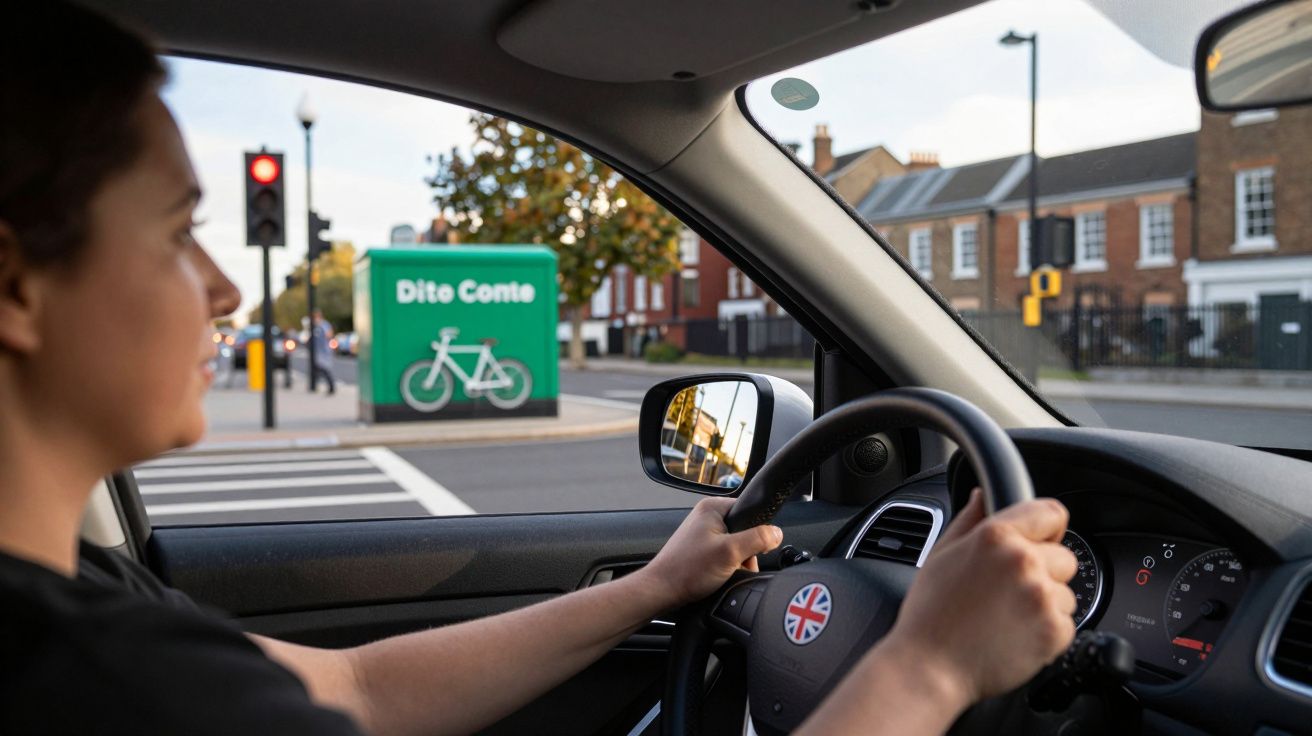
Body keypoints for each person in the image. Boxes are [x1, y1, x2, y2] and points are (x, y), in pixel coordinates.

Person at [0, 4, 1077, 734]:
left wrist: (654, 589)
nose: (228, 291)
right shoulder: (104, 686)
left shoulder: (87, 602)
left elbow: (356, 687)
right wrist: (930, 666)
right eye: (179, 231)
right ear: (16, 287)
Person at [310, 308, 336, 395]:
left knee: (324, 368)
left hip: (324, 350)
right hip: (317, 350)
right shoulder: (314, 326)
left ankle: (331, 387)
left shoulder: (324, 324)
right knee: (317, 369)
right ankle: (315, 385)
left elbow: (329, 334)